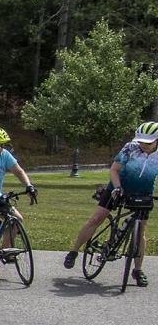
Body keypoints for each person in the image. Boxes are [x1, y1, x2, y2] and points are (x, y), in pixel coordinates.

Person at [63, 122, 158, 285]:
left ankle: (137, 270)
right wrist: (117, 187)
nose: (144, 145)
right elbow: (114, 170)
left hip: (143, 193)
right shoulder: (130, 147)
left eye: (148, 143)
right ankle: (74, 251)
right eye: (141, 141)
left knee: (141, 230)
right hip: (118, 187)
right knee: (97, 218)